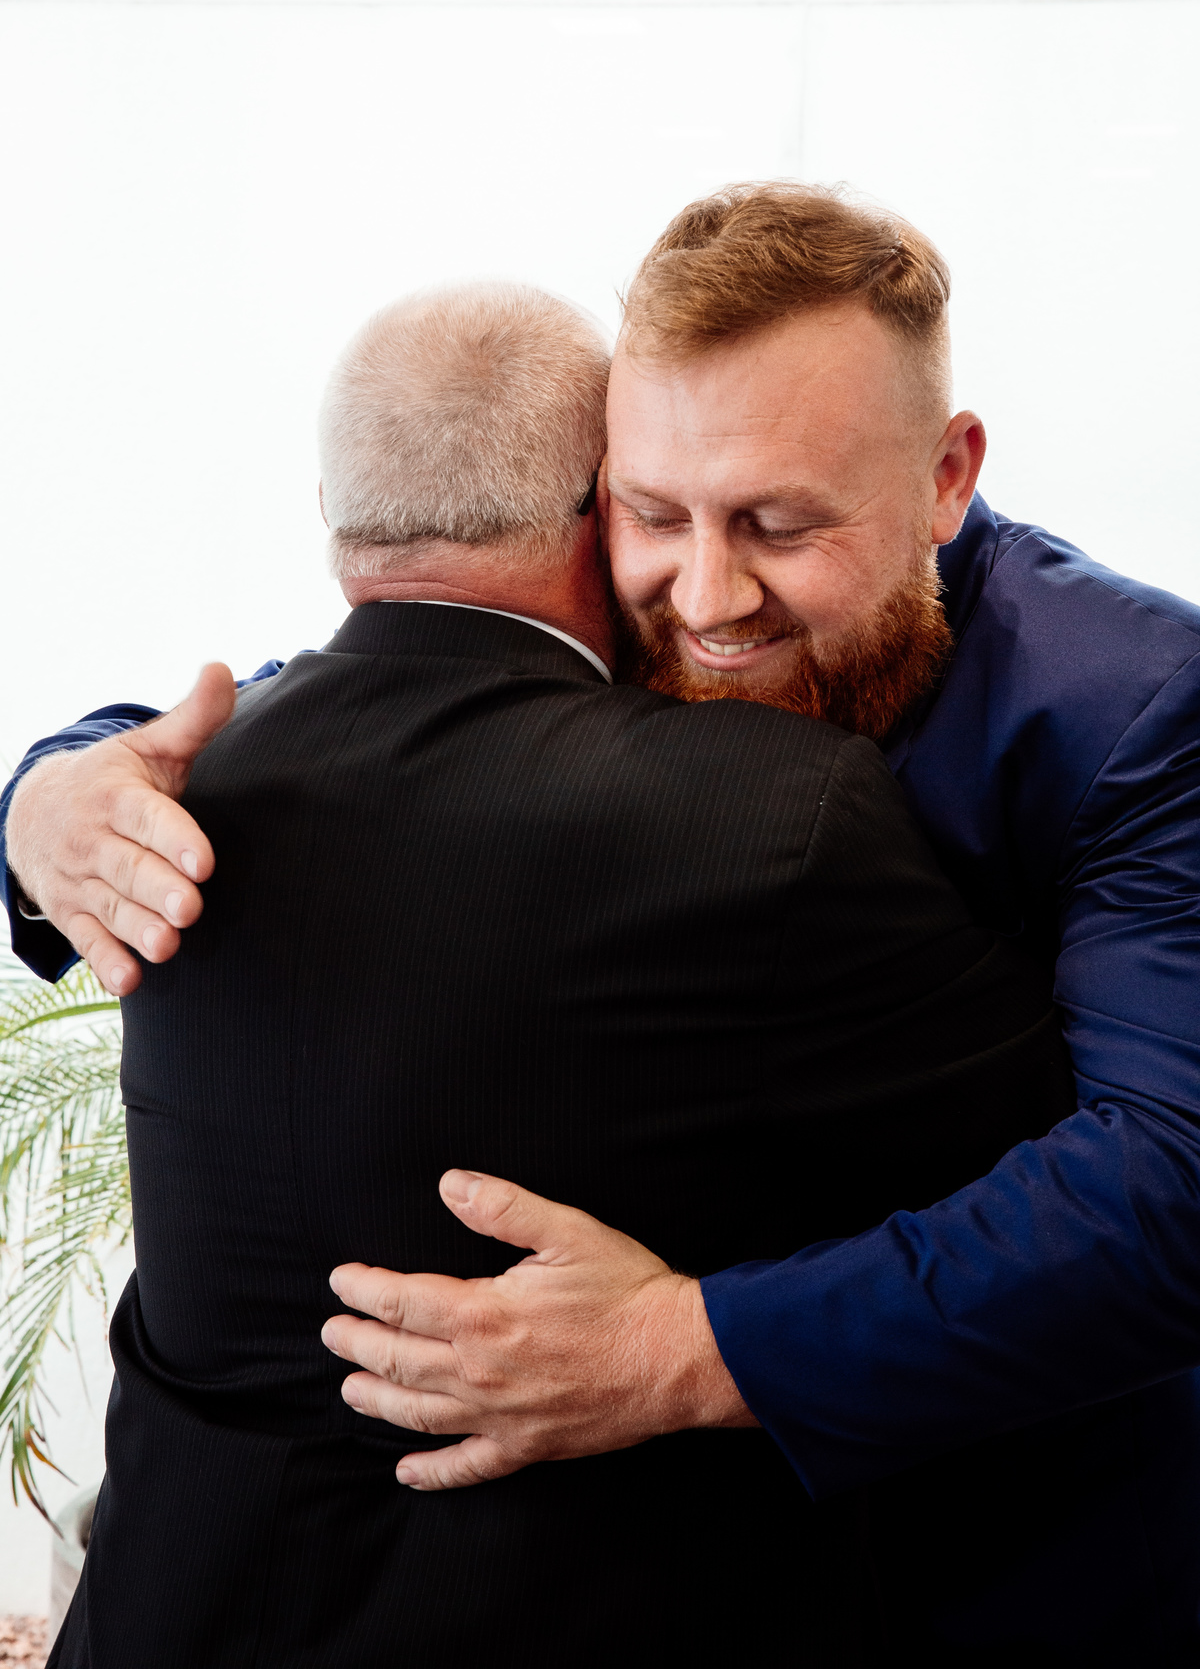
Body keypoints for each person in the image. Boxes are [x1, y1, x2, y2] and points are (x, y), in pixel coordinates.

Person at [6, 184, 1200, 1660]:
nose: (703, 597)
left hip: (1031, 1557)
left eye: (779, 523)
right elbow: (371, 696)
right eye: (652, 514)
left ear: (948, 478)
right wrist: (51, 791)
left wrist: (680, 1350)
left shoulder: (1143, 705)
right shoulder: (626, 613)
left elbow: (1175, 1185)